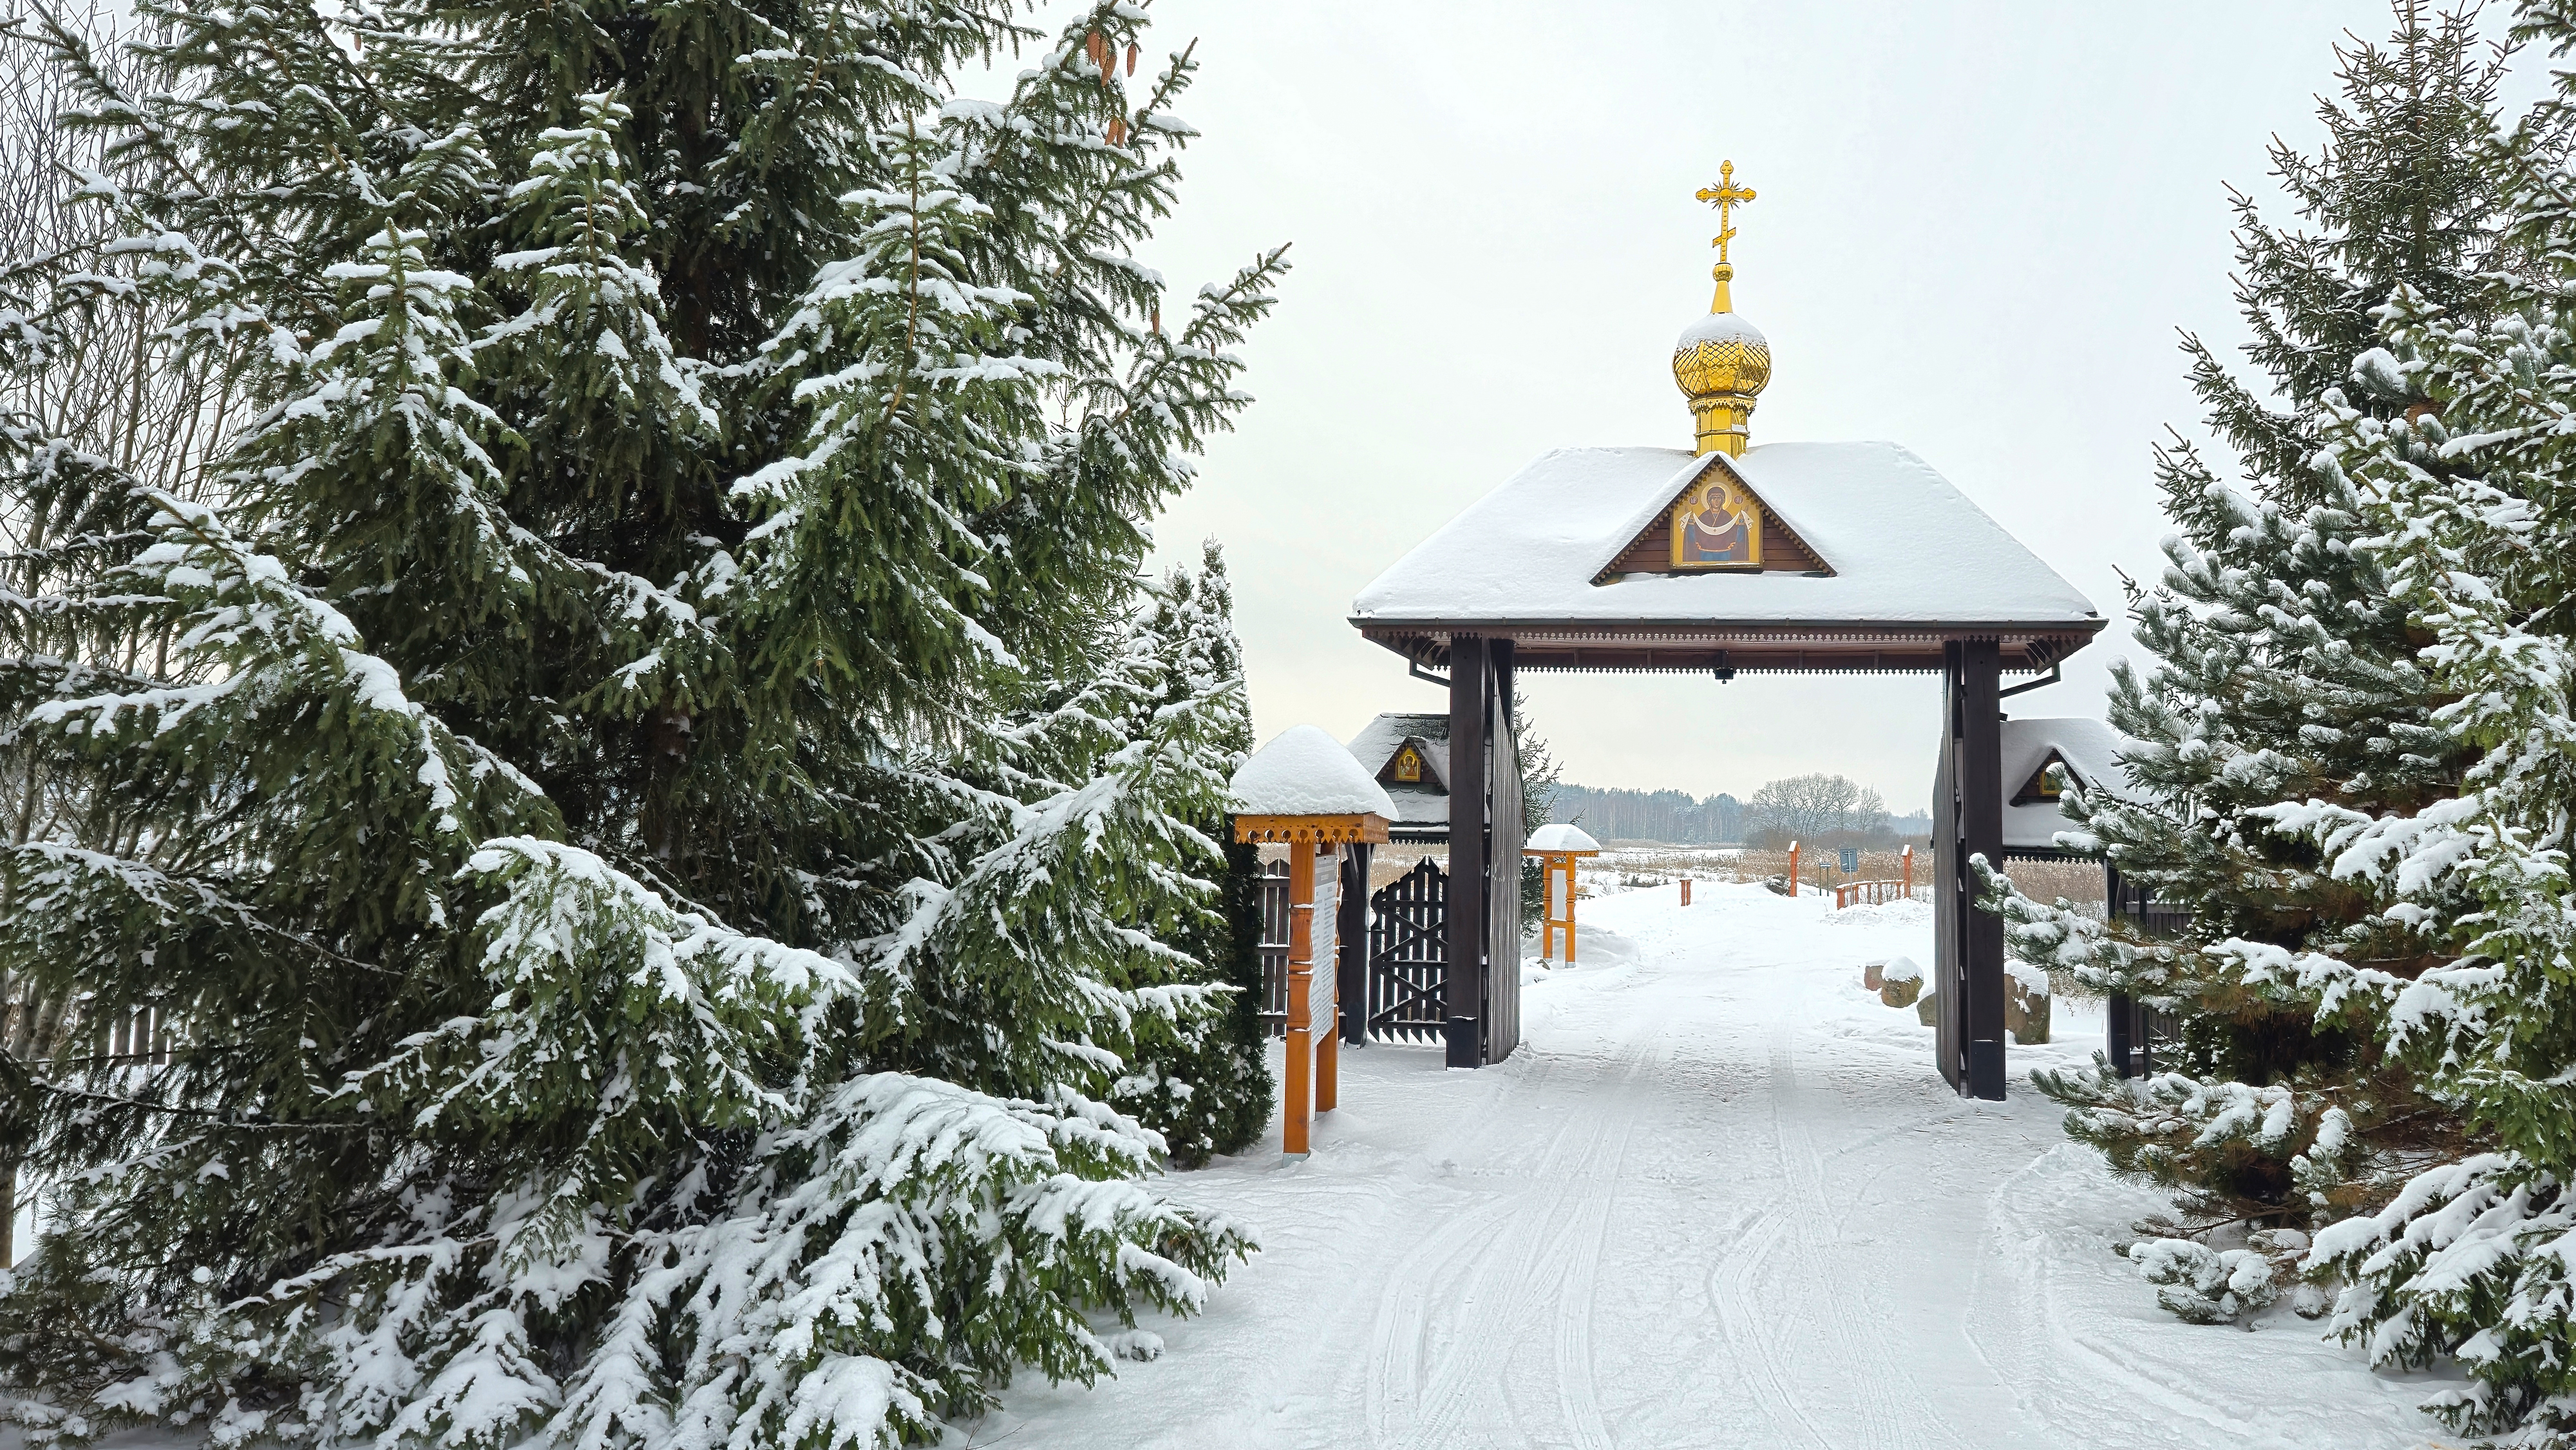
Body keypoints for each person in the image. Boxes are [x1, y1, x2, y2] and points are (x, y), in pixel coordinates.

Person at [1680, 484, 1752, 564]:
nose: (1716, 501)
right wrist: (1690, 520)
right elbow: (1696, 531)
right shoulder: (1704, 516)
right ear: (1709, 501)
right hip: (1706, 551)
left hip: (1724, 551)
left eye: (1719, 498)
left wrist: (1741, 519)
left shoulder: (1726, 516)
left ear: (1723, 500)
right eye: (1714, 498)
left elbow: (1734, 532)